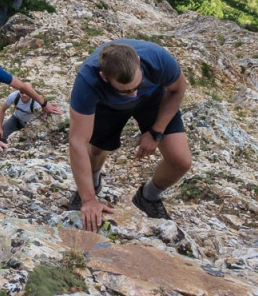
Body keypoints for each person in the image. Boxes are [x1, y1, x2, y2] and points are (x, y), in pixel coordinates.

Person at [68, 40, 191, 232]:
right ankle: (92, 185)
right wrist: (89, 200)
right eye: (125, 90)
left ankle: (147, 197)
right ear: (104, 78)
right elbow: (77, 141)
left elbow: (178, 88)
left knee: (180, 161)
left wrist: (156, 131)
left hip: (152, 99)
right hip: (108, 106)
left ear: (139, 62)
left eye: (137, 85)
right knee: (98, 149)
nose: (133, 95)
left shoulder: (159, 59)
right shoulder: (87, 81)